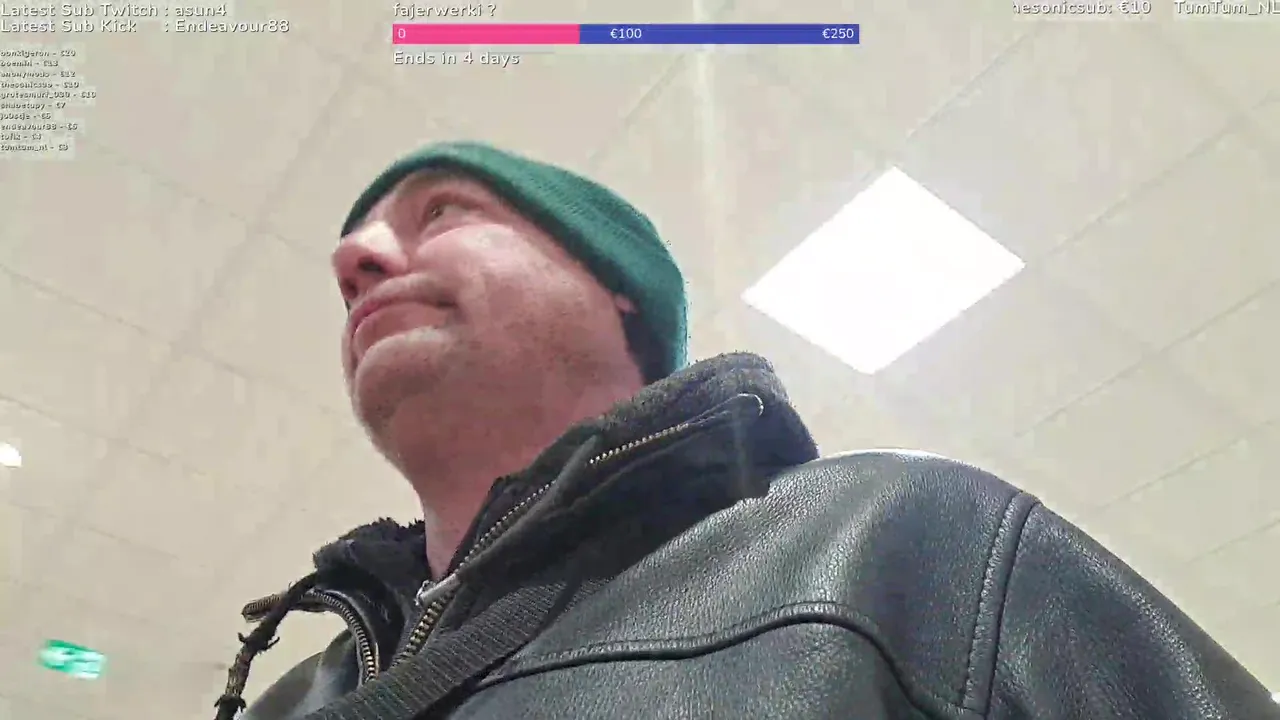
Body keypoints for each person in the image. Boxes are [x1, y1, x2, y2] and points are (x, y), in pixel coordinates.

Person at [215, 142, 1278, 720]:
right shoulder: (290, 701)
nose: (354, 258)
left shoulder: (908, 544)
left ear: (618, 284)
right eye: (356, 249)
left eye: (441, 212)